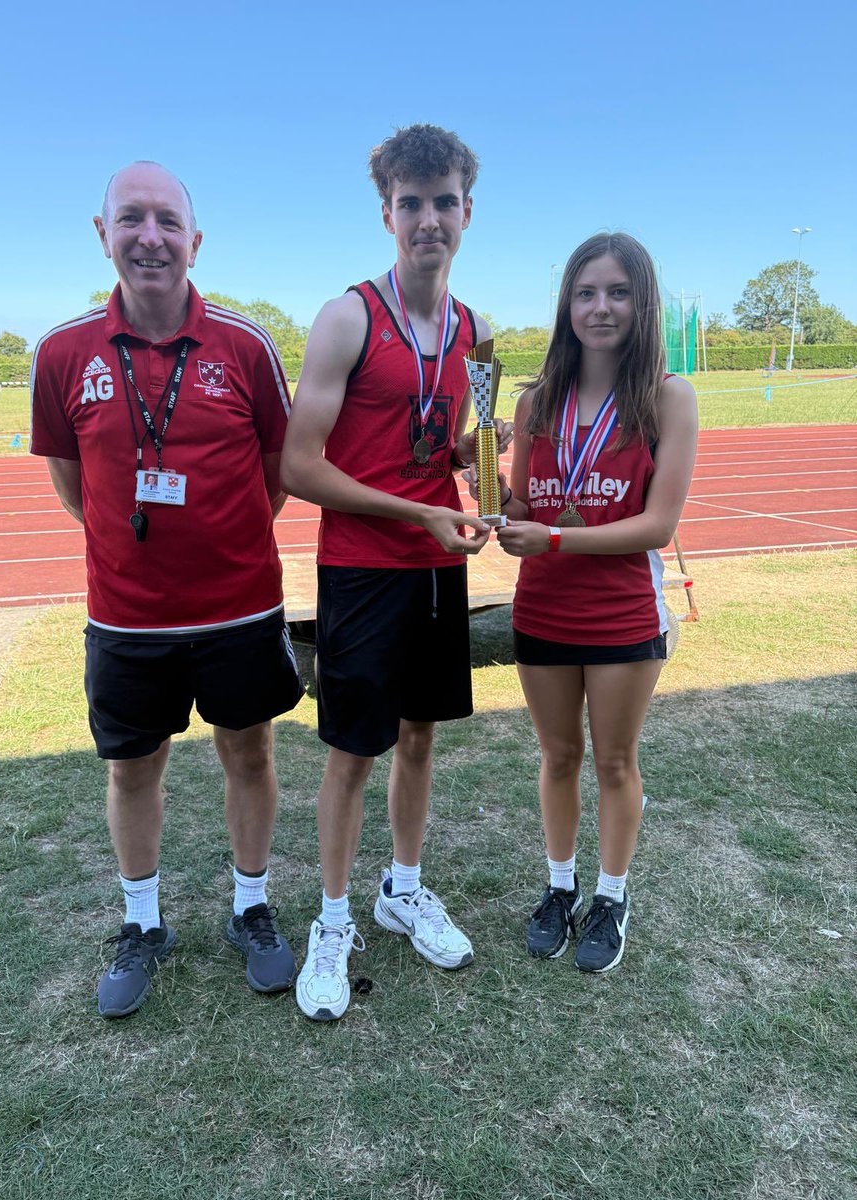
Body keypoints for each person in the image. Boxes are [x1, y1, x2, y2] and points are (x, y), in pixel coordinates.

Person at [30, 161, 304, 1018]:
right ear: (103, 232)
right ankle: (141, 922)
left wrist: (218, 544)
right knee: (133, 769)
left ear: (195, 239)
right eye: (131, 219)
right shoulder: (64, 352)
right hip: (126, 617)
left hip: (240, 607)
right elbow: (73, 484)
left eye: (167, 220)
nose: (150, 236)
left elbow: (275, 474)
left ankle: (251, 906)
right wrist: (132, 546)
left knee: (248, 753)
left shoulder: (245, 345)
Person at [281, 124, 509, 1020]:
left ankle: (401, 889)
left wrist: (488, 475)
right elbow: (302, 466)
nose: (428, 219)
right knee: (352, 752)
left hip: (436, 566)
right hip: (364, 569)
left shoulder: (479, 332)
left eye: (443, 201)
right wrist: (418, 509)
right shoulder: (347, 318)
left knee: (421, 737)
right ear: (387, 213)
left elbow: (466, 442)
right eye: (410, 203)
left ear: (466, 213)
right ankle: (333, 918)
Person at [481, 232, 697, 973]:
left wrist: (555, 542)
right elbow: (522, 503)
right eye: (585, 292)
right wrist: (481, 478)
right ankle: (559, 885)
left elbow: (657, 525)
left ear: (642, 302)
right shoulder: (537, 399)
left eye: (616, 292)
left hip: (621, 614)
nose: (600, 307)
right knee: (556, 755)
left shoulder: (667, 397)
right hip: (541, 609)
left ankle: (611, 895)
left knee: (613, 761)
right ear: (566, 304)